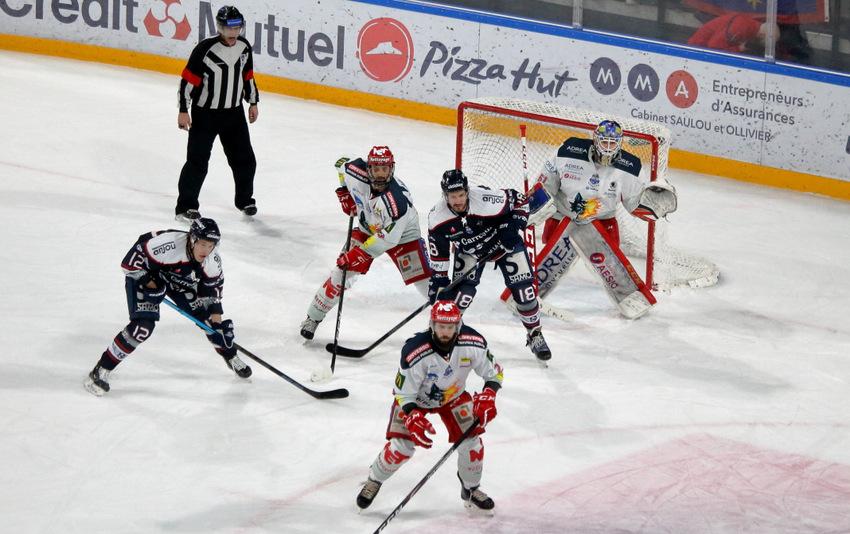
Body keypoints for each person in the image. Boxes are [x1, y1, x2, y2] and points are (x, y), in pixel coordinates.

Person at [520, 120, 678, 319]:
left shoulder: (631, 167)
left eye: (613, 143)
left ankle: (629, 297)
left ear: (620, 143)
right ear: (595, 140)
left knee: (611, 262)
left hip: (601, 220)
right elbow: (547, 183)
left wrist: (651, 203)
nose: (608, 147)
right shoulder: (568, 150)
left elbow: (634, 205)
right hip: (563, 215)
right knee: (551, 255)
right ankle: (526, 293)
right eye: (605, 142)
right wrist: (532, 206)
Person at [356, 300, 502, 512]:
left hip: (453, 396)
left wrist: (489, 394)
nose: (445, 332)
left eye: (450, 327)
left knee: (472, 445)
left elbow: (494, 373)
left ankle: (471, 488)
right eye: (441, 326)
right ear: (432, 325)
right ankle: (374, 479)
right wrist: (412, 414)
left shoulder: (474, 342)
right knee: (401, 448)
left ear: (458, 325)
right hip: (415, 401)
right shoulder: (415, 351)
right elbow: (403, 393)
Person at [84, 218, 251, 396]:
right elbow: (129, 263)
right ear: (192, 239)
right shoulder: (168, 245)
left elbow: (212, 296)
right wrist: (151, 285)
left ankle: (230, 355)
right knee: (142, 327)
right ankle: (101, 369)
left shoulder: (212, 261)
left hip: (177, 279)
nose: (206, 250)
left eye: (211, 245)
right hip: (146, 273)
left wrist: (217, 327)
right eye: (203, 244)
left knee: (210, 322)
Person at [299, 146, 431, 339]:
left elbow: (386, 240)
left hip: (403, 237)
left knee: (427, 284)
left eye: (384, 169)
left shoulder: (397, 203)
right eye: (376, 169)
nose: (380, 174)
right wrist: (344, 191)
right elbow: (340, 163)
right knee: (341, 273)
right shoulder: (355, 170)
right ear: (368, 168)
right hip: (367, 227)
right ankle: (313, 318)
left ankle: (448, 324)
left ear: (391, 169)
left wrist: (357, 255)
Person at [427, 169, 552, 362]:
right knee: (460, 296)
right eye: (453, 197)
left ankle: (535, 334)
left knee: (524, 292)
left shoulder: (485, 199)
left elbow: (520, 200)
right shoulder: (437, 218)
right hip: (470, 252)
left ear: (467, 191)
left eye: (461, 195)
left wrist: (513, 226)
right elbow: (439, 256)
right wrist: (438, 283)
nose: (458, 201)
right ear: (445, 196)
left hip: (503, 245)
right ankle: (447, 336)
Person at [175, 5, 260, 222]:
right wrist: (183, 110)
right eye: (229, 27)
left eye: (237, 27)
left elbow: (248, 76)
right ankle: (185, 207)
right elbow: (187, 82)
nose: (234, 32)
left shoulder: (244, 47)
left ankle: (245, 201)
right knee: (197, 162)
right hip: (205, 115)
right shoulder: (205, 49)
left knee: (245, 160)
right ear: (220, 27)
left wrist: (253, 102)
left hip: (234, 115)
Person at [687, 13, 776, 54]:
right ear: (762, 35)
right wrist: (738, 49)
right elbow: (713, 47)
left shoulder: (753, 26)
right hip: (696, 50)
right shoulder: (740, 28)